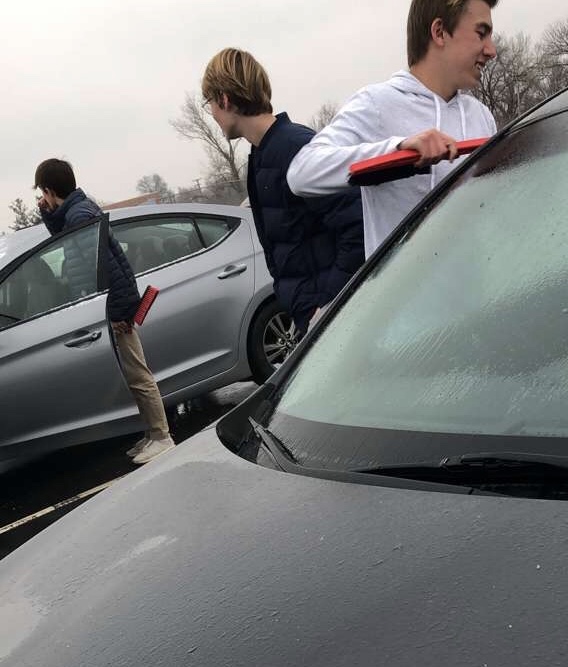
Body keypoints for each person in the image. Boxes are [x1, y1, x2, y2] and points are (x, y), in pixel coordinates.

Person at [287, 0, 498, 258]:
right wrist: (396, 150)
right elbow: (301, 173)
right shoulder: (377, 104)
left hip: (482, 294)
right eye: (481, 33)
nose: (491, 50)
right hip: (408, 297)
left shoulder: (481, 116)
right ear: (439, 32)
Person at [201, 48, 365, 336]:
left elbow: (358, 228)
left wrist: (328, 306)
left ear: (225, 99)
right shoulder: (262, 154)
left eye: (209, 103)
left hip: (339, 323)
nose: (212, 113)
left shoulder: (295, 148)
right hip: (317, 322)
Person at [34, 158, 175, 465]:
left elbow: (109, 268)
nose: (42, 199)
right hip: (109, 307)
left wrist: (121, 312)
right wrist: (48, 214)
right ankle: (153, 434)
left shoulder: (80, 214)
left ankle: (162, 437)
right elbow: (65, 238)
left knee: (138, 374)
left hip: (114, 308)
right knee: (131, 373)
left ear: (48, 189)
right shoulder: (76, 211)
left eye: (42, 194)